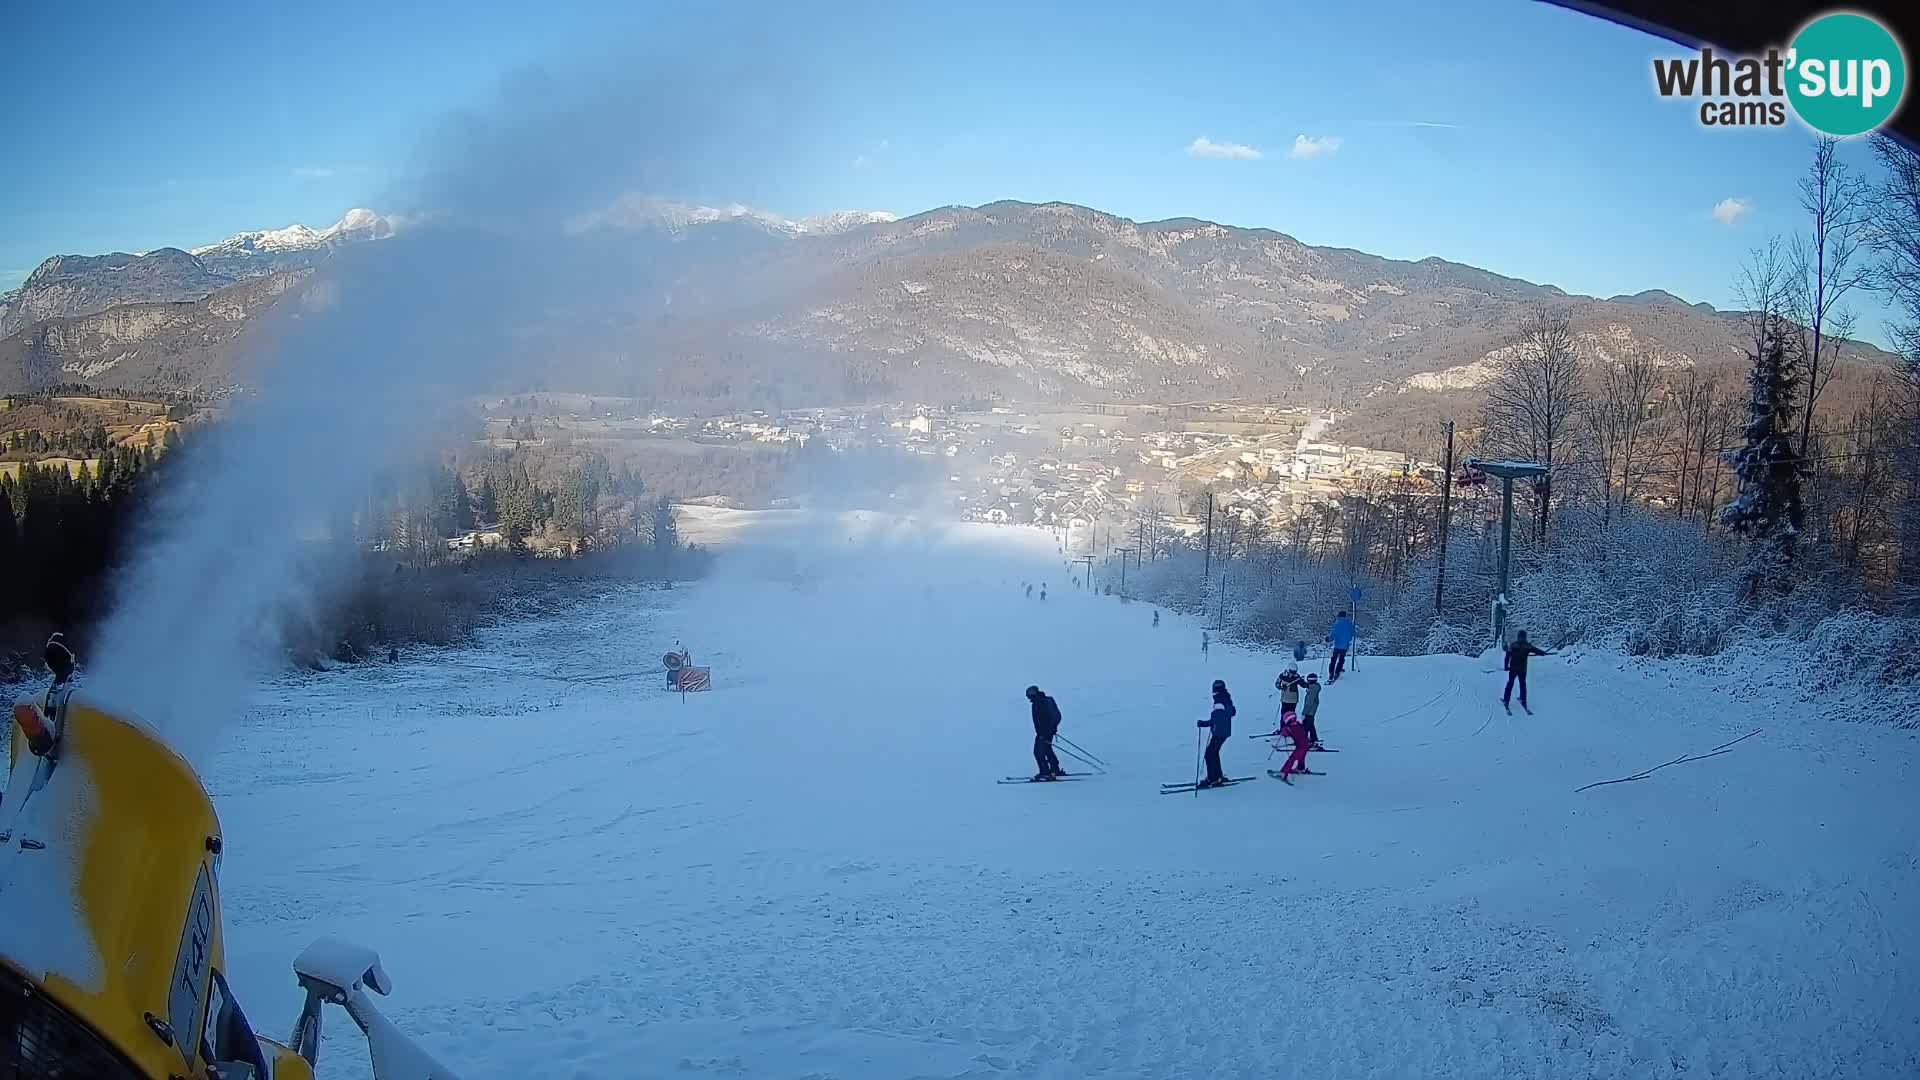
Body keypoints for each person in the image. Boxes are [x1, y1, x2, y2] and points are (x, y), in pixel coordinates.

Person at [1198, 679, 1236, 787]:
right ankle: (1217, 776)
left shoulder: (1219, 701)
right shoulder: (1226, 697)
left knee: (1209, 754)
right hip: (1224, 731)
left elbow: (1217, 719)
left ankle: (1212, 778)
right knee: (1213, 753)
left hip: (1219, 732)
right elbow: (1231, 712)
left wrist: (1203, 723)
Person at [1502, 631, 1552, 713]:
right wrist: (1543, 653)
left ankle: (1506, 700)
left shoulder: (1513, 645)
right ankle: (1523, 700)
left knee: (1510, 683)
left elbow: (1507, 656)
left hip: (1513, 668)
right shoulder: (1527, 646)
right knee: (1522, 684)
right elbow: (1536, 650)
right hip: (1522, 669)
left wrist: (1506, 666)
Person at [1026, 686, 1065, 779]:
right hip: (1049, 731)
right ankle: (1055, 769)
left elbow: (1042, 719)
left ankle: (1045, 772)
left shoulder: (1038, 703)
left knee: (1038, 752)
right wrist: (1052, 729)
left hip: (1043, 732)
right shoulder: (1045, 700)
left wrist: (1043, 733)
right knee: (1047, 749)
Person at [1276, 707, 1314, 783]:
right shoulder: (1298, 725)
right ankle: (1300, 768)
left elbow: (1286, 733)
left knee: (1292, 759)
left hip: (1300, 747)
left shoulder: (1290, 728)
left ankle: (1284, 773)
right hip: (1306, 745)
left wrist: (1284, 731)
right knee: (1301, 757)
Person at [1328, 611, 1357, 680]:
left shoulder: (1337, 623)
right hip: (1345, 645)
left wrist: (1329, 639)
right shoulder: (1349, 623)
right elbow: (1353, 633)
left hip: (1337, 644)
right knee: (1341, 659)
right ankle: (1338, 671)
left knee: (1334, 659)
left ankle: (1331, 673)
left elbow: (1333, 633)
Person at [1300, 673, 1323, 748]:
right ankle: (1313, 740)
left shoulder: (1312, 689)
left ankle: (1305, 741)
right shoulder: (1314, 687)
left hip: (1309, 711)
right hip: (1311, 711)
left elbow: (1309, 703)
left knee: (1306, 726)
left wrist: (1304, 713)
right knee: (1310, 725)